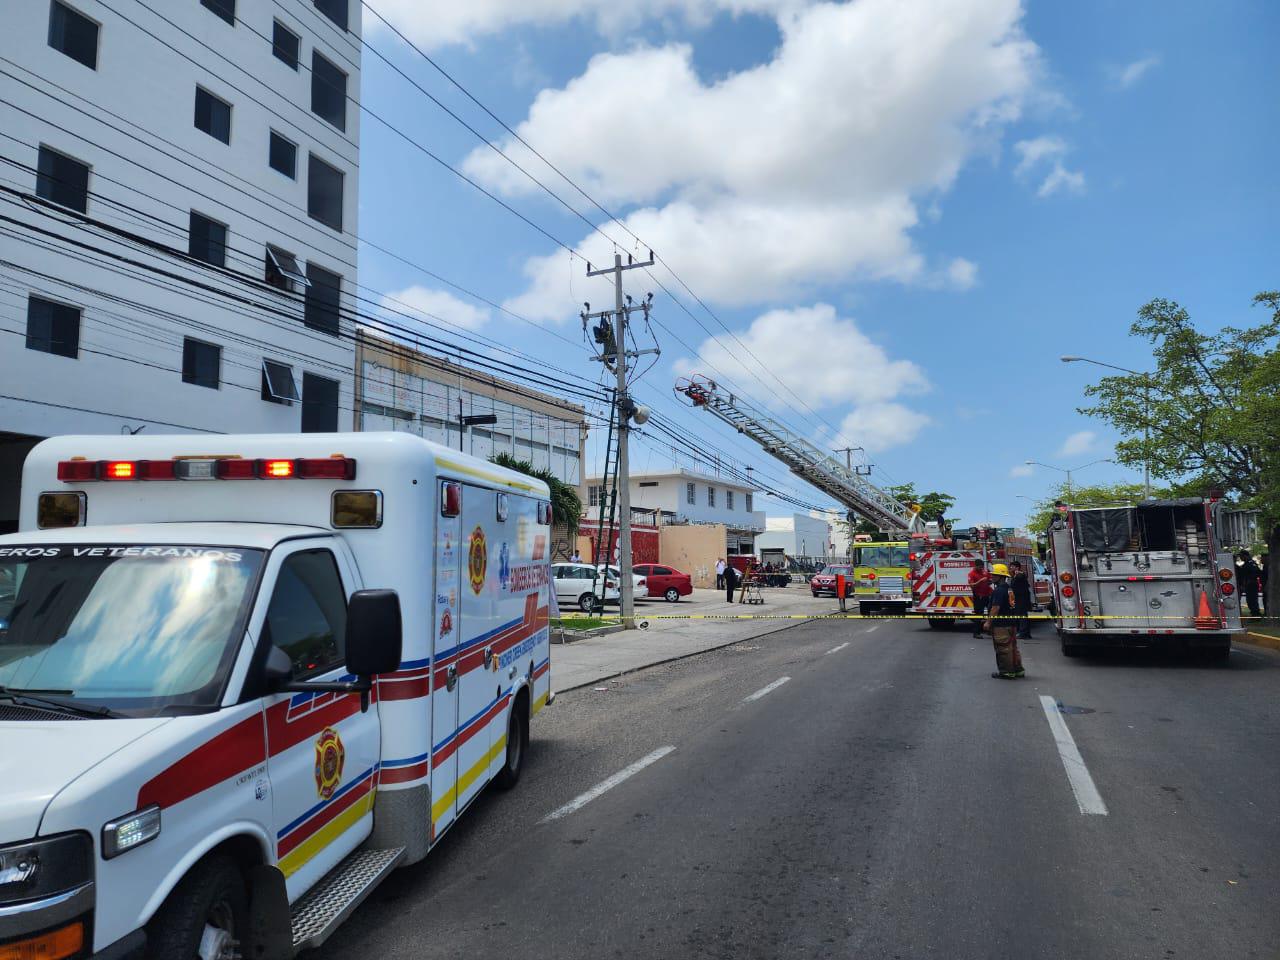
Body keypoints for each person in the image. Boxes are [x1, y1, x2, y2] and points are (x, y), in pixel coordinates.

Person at [984, 562, 1024, 679]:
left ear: (1001, 576)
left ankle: (1006, 672)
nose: (992, 577)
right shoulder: (1008, 589)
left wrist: (988, 622)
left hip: (1001, 625)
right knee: (1013, 648)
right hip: (1011, 623)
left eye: (994, 575)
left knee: (1003, 649)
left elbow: (995, 608)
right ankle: (1018, 670)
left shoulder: (998, 591)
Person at [967, 559, 992, 639]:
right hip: (978, 596)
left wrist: (989, 581)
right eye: (980, 567)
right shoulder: (971, 574)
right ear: (976, 566)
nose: (981, 568)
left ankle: (989, 630)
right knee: (978, 615)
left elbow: (990, 580)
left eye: (982, 567)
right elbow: (972, 585)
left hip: (987, 595)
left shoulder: (984, 572)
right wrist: (980, 581)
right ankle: (976, 633)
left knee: (991, 612)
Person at [1009, 560, 1033, 639]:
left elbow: (1020, 578)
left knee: (1022, 615)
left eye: (1012, 566)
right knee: (1022, 615)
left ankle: (1023, 633)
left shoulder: (1020, 575)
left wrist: (1017, 574)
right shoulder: (1016, 575)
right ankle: (1025, 633)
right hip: (1020, 598)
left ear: (1017, 568)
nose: (1010, 568)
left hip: (1022, 599)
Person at [1238, 550, 1262, 618]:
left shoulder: (1251, 563)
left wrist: (1250, 580)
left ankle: (1256, 615)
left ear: (1246, 556)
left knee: (1252, 600)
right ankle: (1254, 614)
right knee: (1250, 601)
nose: (1240, 557)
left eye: (1241, 556)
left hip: (1252, 585)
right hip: (1249, 585)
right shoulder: (1247, 563)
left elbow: (1256, 573)